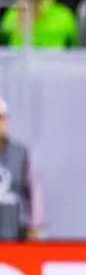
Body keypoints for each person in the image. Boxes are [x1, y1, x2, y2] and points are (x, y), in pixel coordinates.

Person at [0, 96, 41, 241]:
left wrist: (34, 225)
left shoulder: (20, 154)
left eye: (1, 118)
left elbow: (33, 191)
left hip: (13, 235)